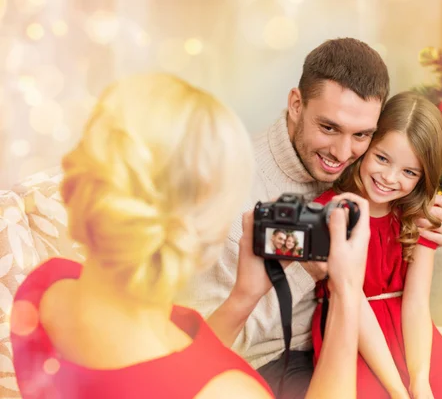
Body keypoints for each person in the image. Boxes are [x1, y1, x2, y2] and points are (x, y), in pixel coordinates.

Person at [178, 38, 442, 399]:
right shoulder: (229, 188)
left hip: (365, 333)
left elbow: (401, 169)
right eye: (329, 128)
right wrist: (311, 266)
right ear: (296, 105)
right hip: (274, 357)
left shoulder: (362, 171)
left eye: (361, 135)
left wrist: (430, 208)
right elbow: (198, 342)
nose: (343, 154)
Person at [9, 73, 374, 399]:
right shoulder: (229, 391)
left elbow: (181, 365)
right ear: (204, 225)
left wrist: (244, 297)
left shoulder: (47, 287)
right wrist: (346, 289)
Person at [312, 92, 442, 399]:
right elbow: (352, 302)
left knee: (441, 385)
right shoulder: (334, 210)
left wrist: (420, 379)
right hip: (352, 328)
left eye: (409, 172)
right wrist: (399, 390)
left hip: (411, 331)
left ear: (423, 177)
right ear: (366, 147)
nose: (389, 178)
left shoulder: (419, 215)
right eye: (382, 158)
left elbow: (416, 301)